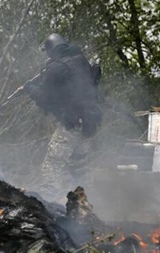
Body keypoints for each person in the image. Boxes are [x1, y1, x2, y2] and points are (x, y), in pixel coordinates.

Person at [23, 33, 102, 202]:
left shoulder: (56, 68)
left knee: (53, 162)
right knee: (79, 165)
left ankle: (47, 200)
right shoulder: (80, 60)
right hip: (89, 122)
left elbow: (45, 98)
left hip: (72, 123)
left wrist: (29, 88)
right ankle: (85, 201)